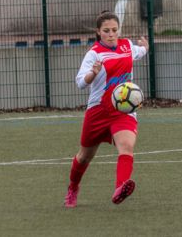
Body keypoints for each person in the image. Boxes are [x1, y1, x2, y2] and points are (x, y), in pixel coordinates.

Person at [64, 11, 149, 208]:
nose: (111, 34)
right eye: (106, 31)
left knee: (127, 146)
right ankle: (72, 188)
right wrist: (92, 74)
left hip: (123, 111)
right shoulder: (94, 53)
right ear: (98, 32)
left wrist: (145, 47)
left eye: (114, 30)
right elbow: (79, 83)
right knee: (85, 156)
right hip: (98, 111)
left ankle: (120, 188)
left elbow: (140, 51)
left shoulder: (127, 46)